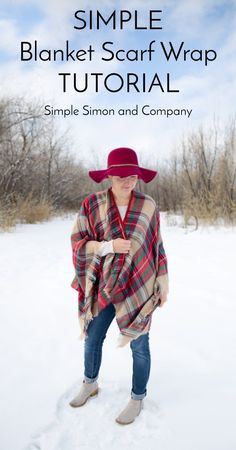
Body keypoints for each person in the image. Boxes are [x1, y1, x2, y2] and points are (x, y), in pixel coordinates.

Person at [69, 147, 169, 425]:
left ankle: (137, 397)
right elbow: (78, 242)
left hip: (139, 287)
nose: (128, 181)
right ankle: (90, 383)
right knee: (92, 337)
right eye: (122, 176)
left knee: (140, 346)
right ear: (110, 176)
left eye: (133, 176)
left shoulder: (148, 205)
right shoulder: (92, 204)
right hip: (104, 286)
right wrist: (107, 246)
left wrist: (163, 281)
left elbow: (157, 245)